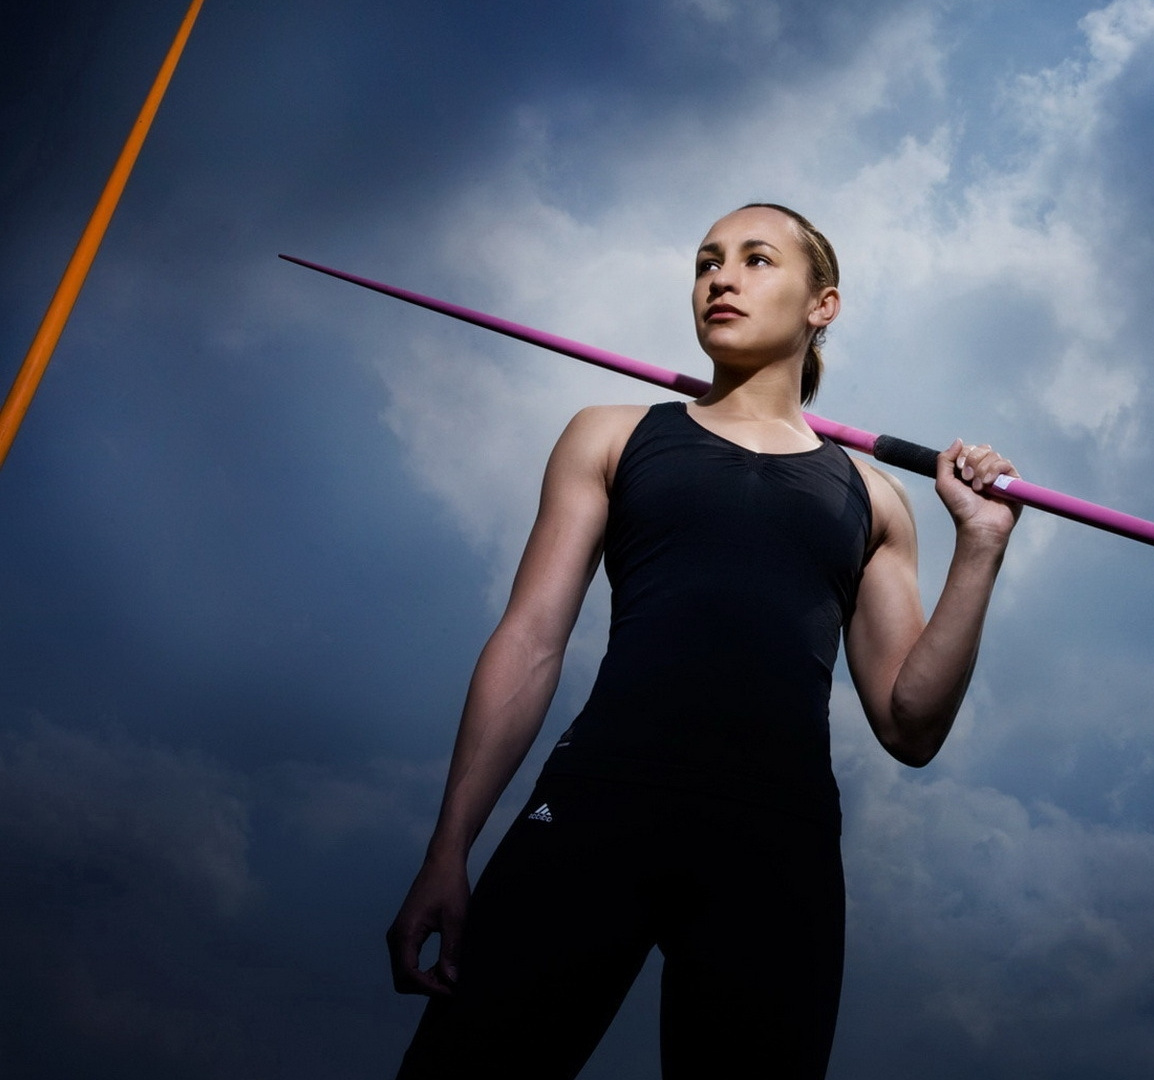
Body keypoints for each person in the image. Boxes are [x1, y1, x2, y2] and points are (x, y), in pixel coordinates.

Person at [385, 203, 1020, 1078]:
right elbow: (531, 641)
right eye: (706, 262)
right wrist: (447, 848)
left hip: (776, 846)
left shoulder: (875, 501)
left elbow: (911, 726)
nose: (721, 277)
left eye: (757, 260)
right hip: (597, 805)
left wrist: (980, 547)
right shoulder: (611, 435)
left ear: (822, 304)